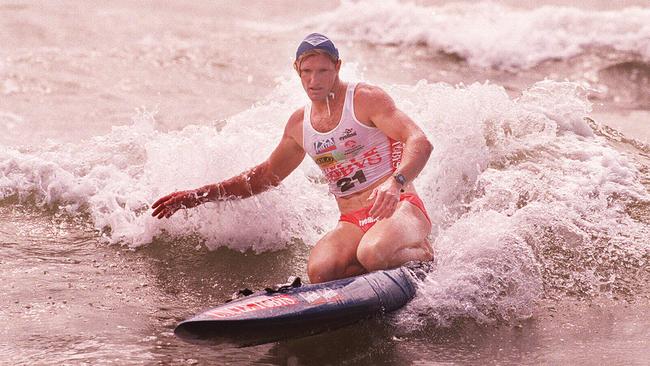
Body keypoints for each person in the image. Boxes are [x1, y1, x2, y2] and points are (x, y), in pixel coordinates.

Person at [152, 33, 434, 283]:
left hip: (400, 208)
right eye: (307, 72)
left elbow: (419, 141)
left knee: (372, 253)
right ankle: (372, 263)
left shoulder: (365, 99)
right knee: (321, 271)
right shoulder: (300, 126)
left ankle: (421, 251)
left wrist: (396, 182)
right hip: (352, 220)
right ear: (296, 70)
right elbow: (265, 176)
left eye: (323, 71)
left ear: (337, 67)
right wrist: (198, 195)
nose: (314, 81)